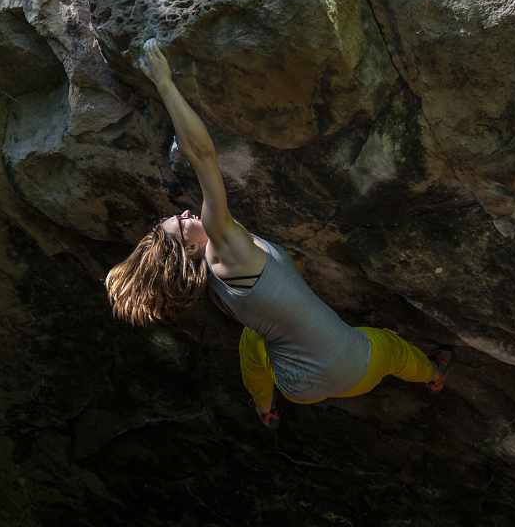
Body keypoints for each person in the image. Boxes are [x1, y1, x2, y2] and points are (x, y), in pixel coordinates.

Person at [104, 39, 452, 427]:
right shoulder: (221, 242)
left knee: (253, 341)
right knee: (390, 347)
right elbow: (201, 154)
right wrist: (163, 80)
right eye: (182, 222)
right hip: (357, 367)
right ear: (187, 246)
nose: (186, 213)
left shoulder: (212, 284)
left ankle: (264, 406)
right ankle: (434, 375)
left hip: (300, 388)